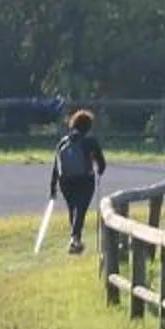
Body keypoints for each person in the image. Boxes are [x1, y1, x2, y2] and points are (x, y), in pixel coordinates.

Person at [49, 107, 107, 255]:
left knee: (72, 209)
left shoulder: (63, 142)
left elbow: (56, 166)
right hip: (85, 180)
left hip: (66, 181)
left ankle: (76, 240)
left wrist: (53, 187)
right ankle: (74, 239)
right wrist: (99, 171)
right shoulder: (90, 141)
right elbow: (102, 163)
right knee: (81, 210)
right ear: (88, 126)